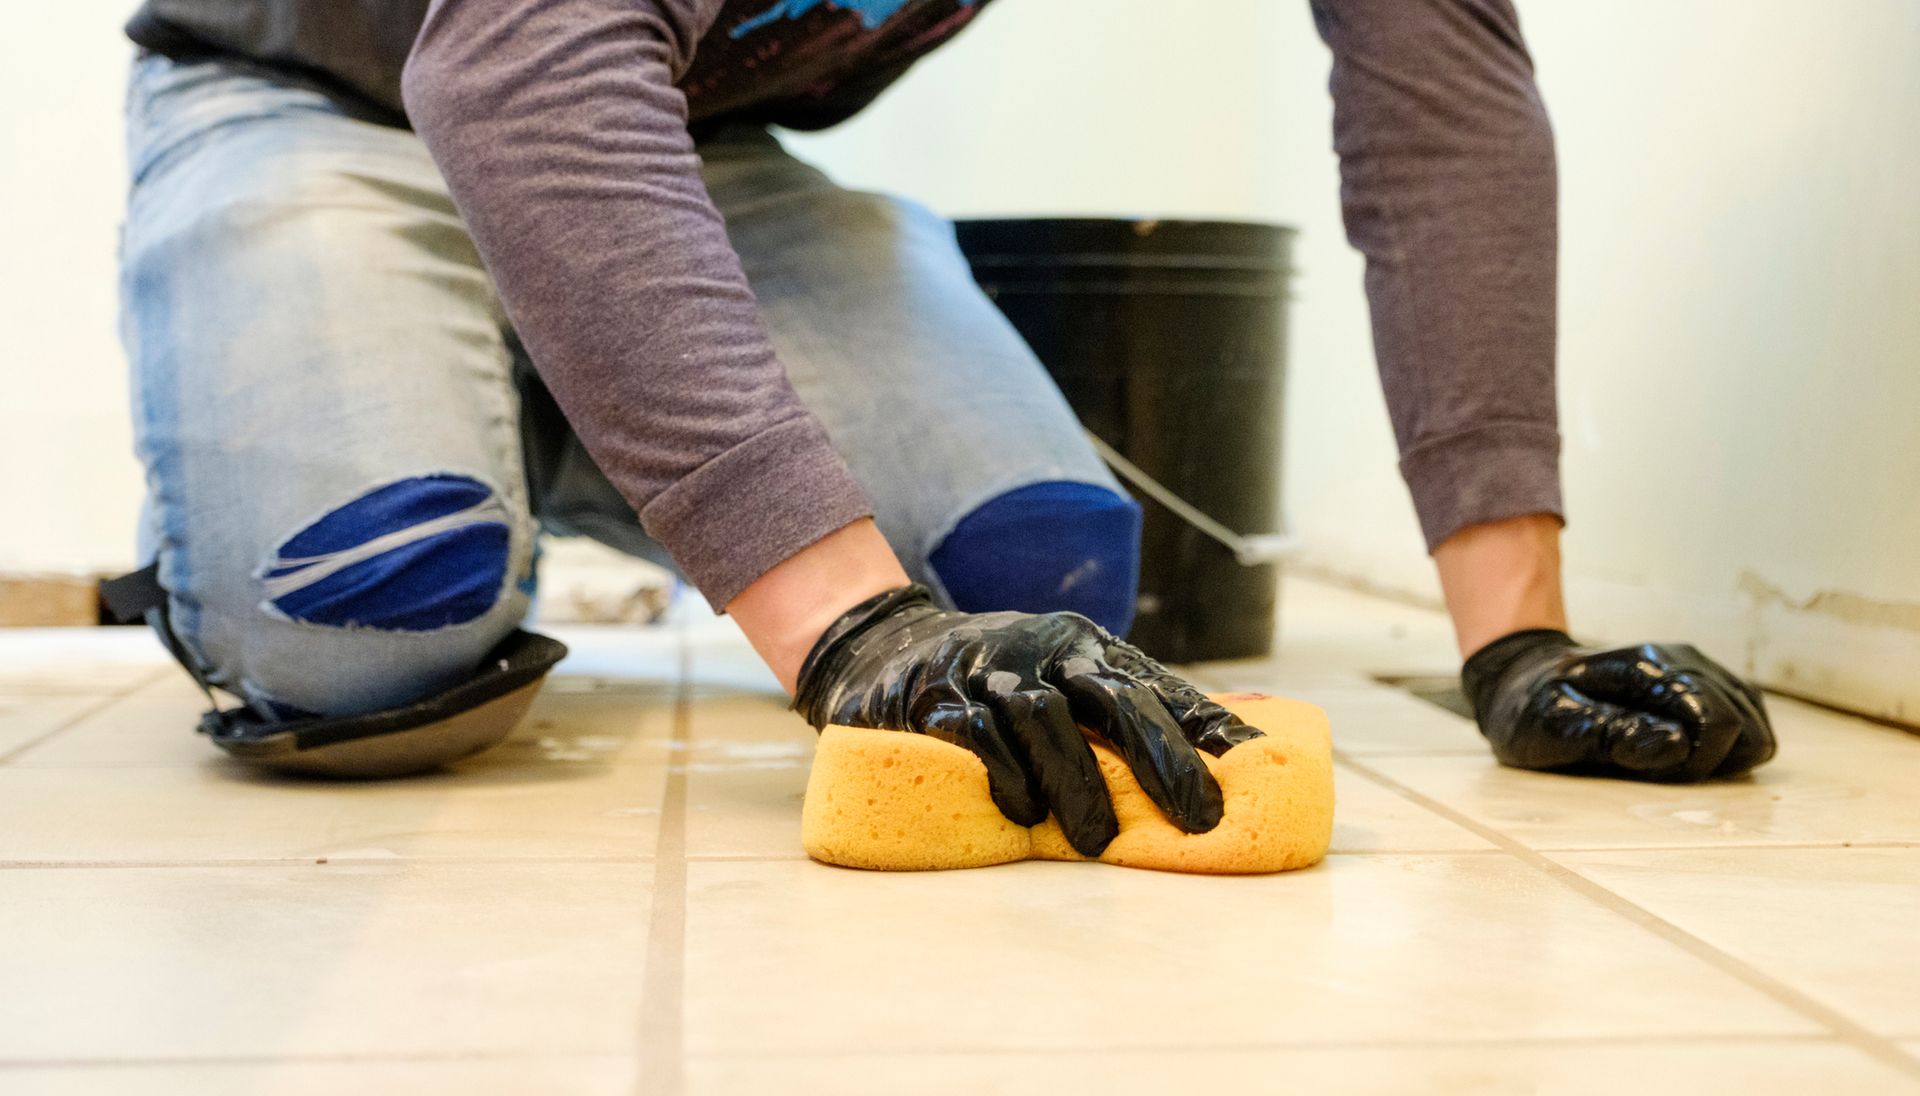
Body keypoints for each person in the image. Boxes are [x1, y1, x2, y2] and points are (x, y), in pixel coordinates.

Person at [114, 0, 1776, 857]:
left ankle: (586, 377)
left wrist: (1519, 644)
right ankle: (436, 409)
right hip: (322, 96)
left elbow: (1440, 108)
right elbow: (516, 63)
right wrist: (852, 622)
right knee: (373, 631)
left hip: (692, 151)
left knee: (1042, 572)